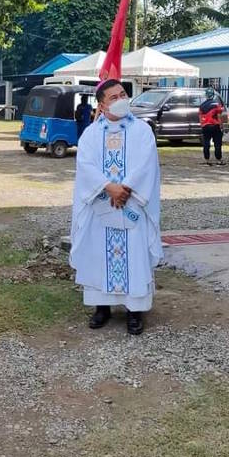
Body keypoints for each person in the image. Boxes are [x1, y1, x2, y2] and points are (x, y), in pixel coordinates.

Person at [69, 79, 163, 335]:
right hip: (101, 205)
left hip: (133, 205)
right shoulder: (91, 134)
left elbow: (146, 163)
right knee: (98, 253)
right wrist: (108, 187)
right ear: (101, 104)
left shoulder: (142, 130)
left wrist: (126, 188)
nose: (121, 99)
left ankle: (135, 310)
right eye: (114, 97)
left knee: (134, 254)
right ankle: (102, 307)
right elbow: (85, 165)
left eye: (123, 94)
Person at [199, 88, 225, 166]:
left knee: (206, 143)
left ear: (206, 96)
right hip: (215, 126)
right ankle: (219, 160)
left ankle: (207, 160)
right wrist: (221, 126)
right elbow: (219, 116)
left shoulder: (202, 106)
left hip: (206, 126)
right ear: (213, 95)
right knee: (217, 143)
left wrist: (202, 126)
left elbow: (200, 118)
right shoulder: (217, 104)